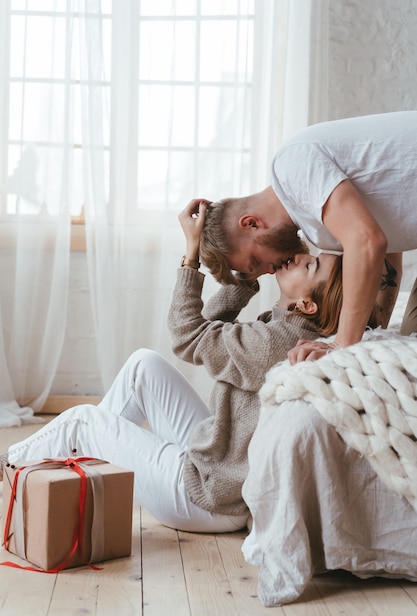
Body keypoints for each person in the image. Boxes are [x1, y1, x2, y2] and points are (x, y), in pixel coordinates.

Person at [0, 210, 370, 534]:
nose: (301, 257)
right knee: (143, 365)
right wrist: (244, 278)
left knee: (81, 421)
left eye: (311, 266)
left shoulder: (275, 341)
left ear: (306, 303)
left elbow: (187, 334)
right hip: (218, 465)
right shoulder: (286, 328)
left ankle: (6, 471)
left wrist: (190, 255)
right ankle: (79, 480)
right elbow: (205, 329)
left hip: (204, 497)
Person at [196, 110, 417, 362]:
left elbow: (367, 241)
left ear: (251, 224)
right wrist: (372, 333)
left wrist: (342, 343)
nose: (269, 271)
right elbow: (385, 250)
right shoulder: (317, 228)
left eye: (256, 262)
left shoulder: (290, 166)